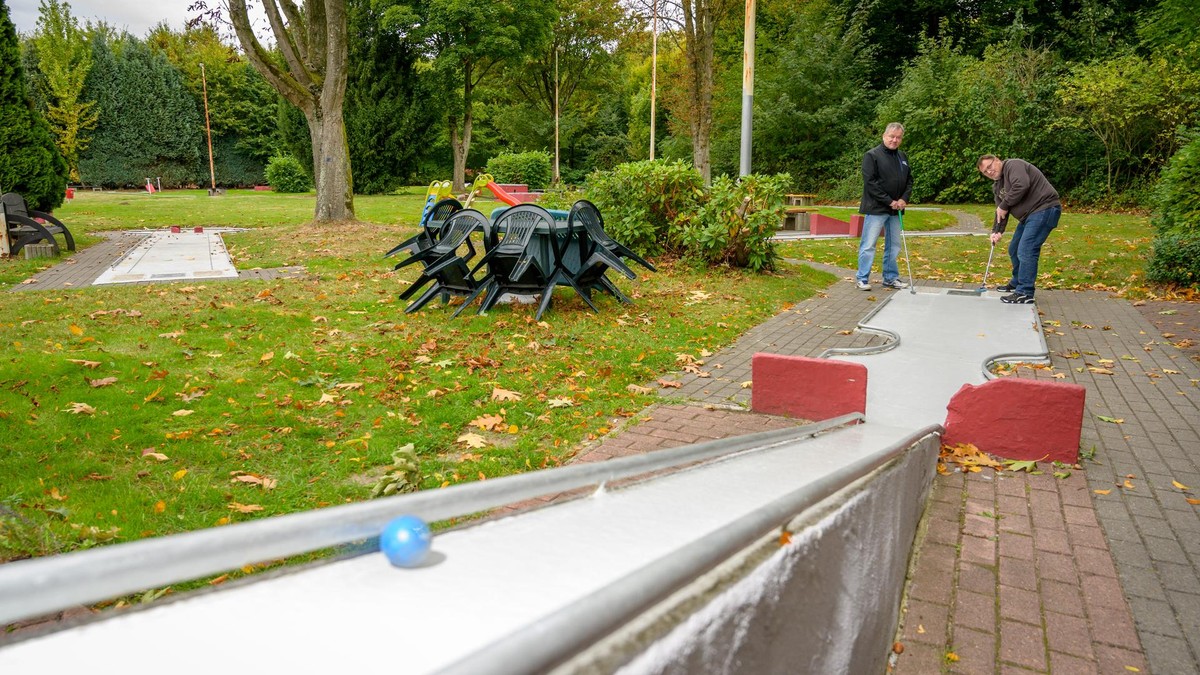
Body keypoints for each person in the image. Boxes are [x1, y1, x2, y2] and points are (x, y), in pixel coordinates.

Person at [976, 155, 1061, 304]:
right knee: (1014, 249)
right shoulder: (997, 186)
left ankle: (1025, 292)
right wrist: (997, 231)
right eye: (985, 172)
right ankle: (1017, 283)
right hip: (1029, 216)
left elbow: (1021, 185)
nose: (989, 172)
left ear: (997, 160)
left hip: (1045, 208)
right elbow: (1001, 211)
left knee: (1026, 250)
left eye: (990, 167)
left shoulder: (1013, 165)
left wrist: (1004, 205)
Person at [856, 123, 913, 291]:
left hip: (896, 210)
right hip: (876, 208)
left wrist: (904, 199)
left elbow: (909, 180)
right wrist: (889, 201)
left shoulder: (902, 156)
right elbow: (870, 183)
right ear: (884, 136)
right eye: (892, 136)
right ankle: (862, 278)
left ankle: (890, 278)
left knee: (894, 245)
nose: (894, 140)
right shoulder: (871, 155)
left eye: (898, 137)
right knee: (869, 244)